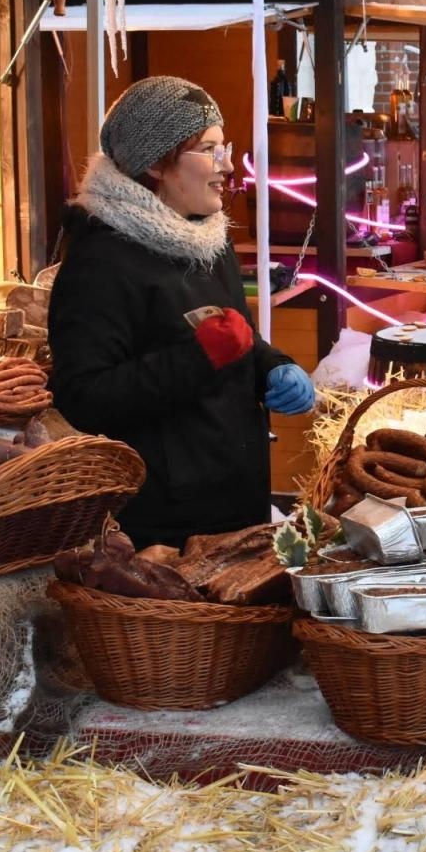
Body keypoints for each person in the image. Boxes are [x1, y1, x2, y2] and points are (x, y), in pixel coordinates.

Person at [48, 76, 317, 549]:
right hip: (162, 527)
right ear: (156, 162)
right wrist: (196, 358)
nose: (228, 165)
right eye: (209, 150)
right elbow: (83, 397)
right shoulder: (100, 261)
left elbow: (237, 337)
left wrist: (271, 366)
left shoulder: (209, 238)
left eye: (225, 147)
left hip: (238, 500)